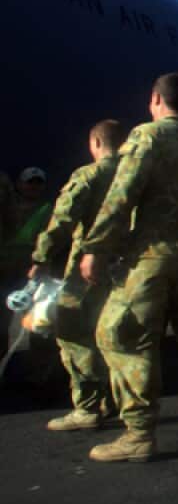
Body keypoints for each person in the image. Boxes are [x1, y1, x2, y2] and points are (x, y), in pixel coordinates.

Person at [78, 72, 178, 462]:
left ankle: (138, 433)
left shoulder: (146, 137)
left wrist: (96, 247)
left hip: (151, 258)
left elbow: (122, 195)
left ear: (155, 99)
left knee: (120, 336)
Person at [28, 120, 124, 431]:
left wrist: (41, 257)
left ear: (95, 143)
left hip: (87, 269)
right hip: (127, 269)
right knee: (111, 333)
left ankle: (87, 406)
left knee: (71, 331)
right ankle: (113, 398)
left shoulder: (89, 176)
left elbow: (63, 220)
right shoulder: (136, 176)